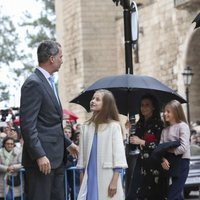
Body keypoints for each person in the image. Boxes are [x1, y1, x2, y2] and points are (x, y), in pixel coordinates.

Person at [20, 40, 78, 200]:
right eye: (60, 56)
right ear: (51, 58)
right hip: (42, 162)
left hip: (57, 160)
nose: (62, 60)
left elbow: (49, 124)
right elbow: (28, 125)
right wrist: (39, 155)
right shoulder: (33, 83)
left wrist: (68, 143)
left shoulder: (48, 82)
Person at [77, 89, 127, 200]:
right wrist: (81, 177)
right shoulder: (85, 127)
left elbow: (119, 157)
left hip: (107, 176)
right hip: (89, 177)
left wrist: (114, 181)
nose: (93, 101)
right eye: (93, 98)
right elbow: (82, 157)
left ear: (106, 105)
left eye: (97, 99)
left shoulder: (114, 126)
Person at [126, 94, 164, 200]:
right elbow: (132, 147)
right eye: (142, 105)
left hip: (154, 164)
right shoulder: (139, 124)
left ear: (153, 107)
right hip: (141, 164)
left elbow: (160, 145)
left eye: (147, 105)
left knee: (153, 194)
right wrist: (128, 131)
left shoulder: (159, 124)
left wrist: (142, 141)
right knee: (134, 194)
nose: (144, 107)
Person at [160, 100, 190, 200]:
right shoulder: (165, 130)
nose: (165, 113)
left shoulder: (183, 126)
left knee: (171, 195)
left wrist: (169, 150)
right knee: (176, 196)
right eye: (164, 111)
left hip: (182, 163)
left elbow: (184, 147)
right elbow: (160, 148)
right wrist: (163, 158)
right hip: (169, 163)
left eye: (168, 111)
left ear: (176, 112)